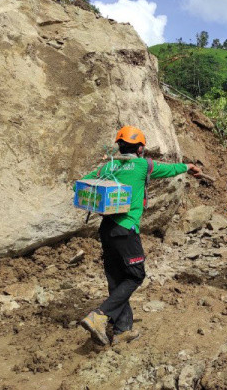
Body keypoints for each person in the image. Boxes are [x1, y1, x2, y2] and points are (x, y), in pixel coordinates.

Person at [78, 126, 202, 345]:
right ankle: (99, 315)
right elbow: (170, 169)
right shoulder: (144, 165)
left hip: (106, 229)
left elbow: (83, 184)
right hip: (126, 230)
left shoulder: (109, 166)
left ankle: (122, 330)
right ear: (141, 148)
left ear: (120, 145)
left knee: (116, 279)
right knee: (135, 276)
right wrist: (188, 167)